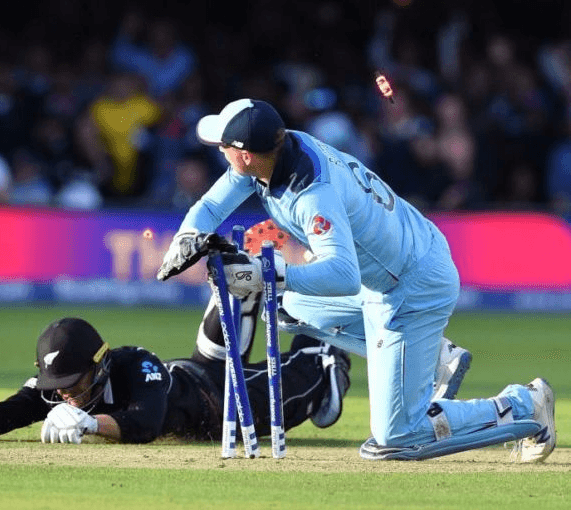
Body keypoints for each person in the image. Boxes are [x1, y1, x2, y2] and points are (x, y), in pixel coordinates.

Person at [156, 98, 556, 463]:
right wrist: (188, 237)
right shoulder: (275, 152)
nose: (219, 152)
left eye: (223, 146)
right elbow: (209, 205)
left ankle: (525, 405)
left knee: (395, 437)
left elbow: (342, 276)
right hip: (398, 265)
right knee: (281, 306)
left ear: (243, 155)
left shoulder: (311, 194)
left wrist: (268, 273)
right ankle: (436, 358)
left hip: (410, 287)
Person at [0, 291, 351, 444]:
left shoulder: (136, 365)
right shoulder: (58, 389)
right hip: (200, 366)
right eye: (58, 385)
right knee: (229, 306)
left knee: (298, 380)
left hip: (219, 403)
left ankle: (330, 355)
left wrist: (91, 423)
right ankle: (240, 299)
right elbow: (11, 410)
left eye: (74, 383)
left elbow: (147, 423)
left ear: (100, 364)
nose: (65, 394)